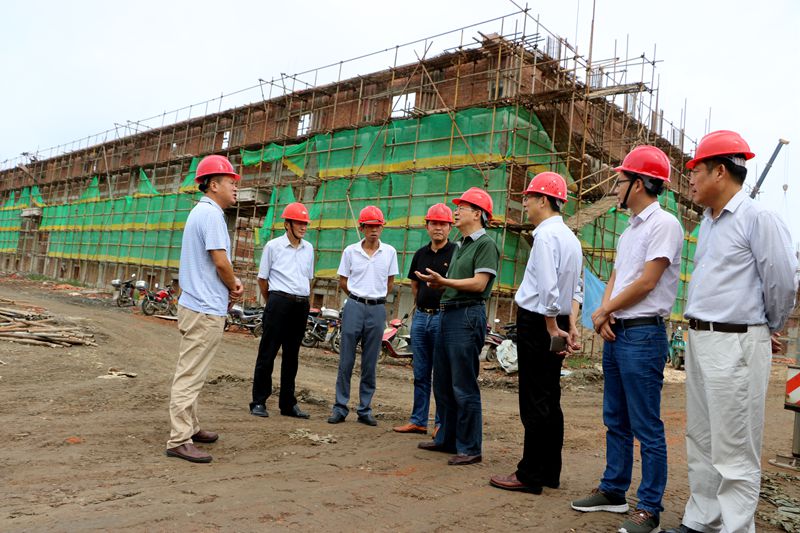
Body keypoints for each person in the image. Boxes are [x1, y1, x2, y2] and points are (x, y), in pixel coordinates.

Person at [663, 131, 797, 533]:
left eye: (696, 171)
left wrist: (767, 326)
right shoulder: (708, 223)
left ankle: (736, 527)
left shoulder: (758, 219)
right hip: (702, 338)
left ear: (720, 171)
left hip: (737, 341)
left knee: (735, 447)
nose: (690, 179)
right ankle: (702, 519)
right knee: (702, 438)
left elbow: (782, 281)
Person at [570, 145, 683, 533]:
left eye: (621, 180)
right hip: (618, 332)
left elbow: (648, 282)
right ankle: (613, 490)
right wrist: (604, 313)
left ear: (640, 183)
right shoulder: (630, 230)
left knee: (646, 424)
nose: (616, 187)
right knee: (615, 418)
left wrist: (605, 311)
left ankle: (649, 508)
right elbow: (617, 277)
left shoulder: (664, 224)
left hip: (644, 335)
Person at [488, 172, 582, 494]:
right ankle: (549, 471)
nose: (525, 203)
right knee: (550, 397)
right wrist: (570, 325)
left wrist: (552, 325)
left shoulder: (545, 236)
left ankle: (529, 474)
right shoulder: (570, 238)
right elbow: (575, 289)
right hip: (558, 319)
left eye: (528, 197)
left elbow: (548, 288)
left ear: (543, 200)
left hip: (540, 321)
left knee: (534, 399)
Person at [166, 154, 244, 464]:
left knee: (194, 371)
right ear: (213, 185)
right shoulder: (211, 215)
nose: (235, 187)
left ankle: (191, 426)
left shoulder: (200, 212)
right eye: (230, 182)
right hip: (204, 309)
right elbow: (220, 261)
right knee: (190, 375)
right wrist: (234, 284)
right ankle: (179, 439)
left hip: (195, 304)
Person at [415, 187, 500, 466]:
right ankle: (447, 438)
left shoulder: (485, 244)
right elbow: (458, 283)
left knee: (463, 385)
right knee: (443, 382)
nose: (456, 211)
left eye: (462, 207)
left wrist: (445, 282)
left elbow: (479, 283)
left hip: (466, 315)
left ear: (477, 213)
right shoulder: (462, 245)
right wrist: (438, 284)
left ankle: (470, 447)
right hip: (449, 313)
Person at [328, 206, 399, 426]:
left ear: (382, 228)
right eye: (369, 226)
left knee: (370, 361)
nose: (374, 230)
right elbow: (343, 281)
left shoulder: (390, 252)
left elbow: (389, 283)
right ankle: (340, 407)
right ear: (362, 228)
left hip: (377, 309)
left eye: (377, 226)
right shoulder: (350, 252)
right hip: (354, 306)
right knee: (346, 360)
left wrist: (374, 298)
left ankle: (365, 409)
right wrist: (358, 297)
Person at [393, 203, 456, 435]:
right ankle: (418, 420)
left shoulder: (456, 252)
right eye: (434, 223)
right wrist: (421, 307)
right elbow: (415, 285)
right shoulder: (420, 254)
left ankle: (441, 424)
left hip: (443, 318)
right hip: (421, 318)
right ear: (427, 226)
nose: (438, 228)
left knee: (441, 374)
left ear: (450, 227)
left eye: (443, 224)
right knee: (420, 372)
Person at [249, 202, 314, 419]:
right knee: (267, 353)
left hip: (300, 304)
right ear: (287, 224)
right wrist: (273, 301)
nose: (303, 227)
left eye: (305, 223)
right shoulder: (273, 246)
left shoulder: (309, 249)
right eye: (299, 223)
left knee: (292, 356)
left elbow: (308, 278)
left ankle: (288, 404)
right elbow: (262, 279)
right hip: (278, 302)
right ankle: (259, 401)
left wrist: (302, 301)